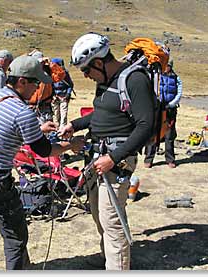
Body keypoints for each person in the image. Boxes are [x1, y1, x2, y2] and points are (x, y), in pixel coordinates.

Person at [0, 55, 84, 270]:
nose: (37, 88)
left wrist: (38, 129)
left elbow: (1, 131)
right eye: (35, 83)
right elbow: (44, 151)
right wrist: (71, 146)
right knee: (15, 236)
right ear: (22, 82)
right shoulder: (22, 112)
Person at [59, 32, 155, 270]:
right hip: (96, 157)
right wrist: (74, 124)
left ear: (99, 63)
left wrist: (113, 158)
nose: (85, 76)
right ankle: (108, 258)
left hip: (116, 161)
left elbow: (146, 125)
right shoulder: (105, 82)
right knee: (98, 214)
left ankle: (118, 267)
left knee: (112, 220)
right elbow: (102, 114)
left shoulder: (134, 80)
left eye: (86, 70)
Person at [144, 59, 182, 168]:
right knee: (153, 134)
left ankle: (170, 159)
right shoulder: (156, 77)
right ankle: (149, 159)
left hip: (170, 110)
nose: (166, 68)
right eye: (164, 65)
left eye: (168, 66)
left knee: (169, 135)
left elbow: (179, 93)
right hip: (157, 109)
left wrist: (171, 104)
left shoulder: (176, 78)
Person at [27, 50, 66, 124]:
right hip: (29, 107)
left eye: (41, 62)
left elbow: (61, 75)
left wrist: (51, 64)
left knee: (47, 131)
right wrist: (28, 56)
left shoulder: (48, 72)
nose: (39, 64)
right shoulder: (27, 72)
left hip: (44, 108)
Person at [51, 57, 74, 128]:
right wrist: (52, 95)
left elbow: (70, 84)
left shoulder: (65, 73)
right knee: (55, 115)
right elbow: (49, 85)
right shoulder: (51, 74)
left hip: (64, 96)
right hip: (55, 97)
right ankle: (56, 131)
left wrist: (68, 94)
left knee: (63, 116)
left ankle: (62, 132)